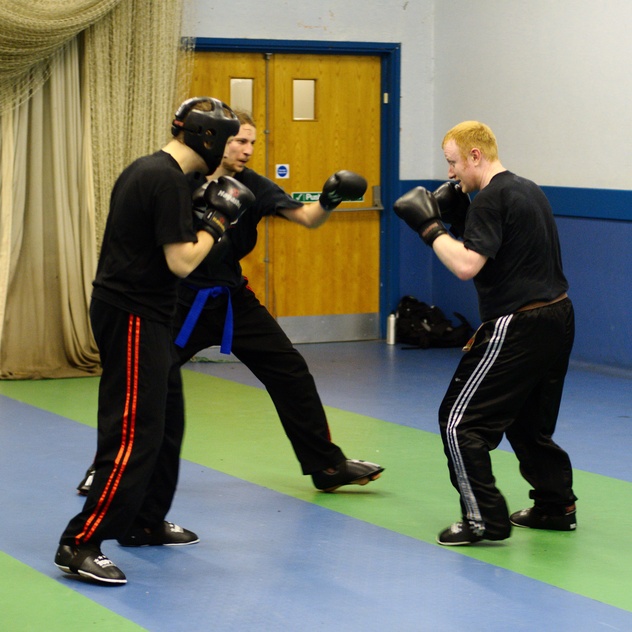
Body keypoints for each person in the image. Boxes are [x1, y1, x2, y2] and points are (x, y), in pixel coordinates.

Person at [75, 111, 384, 498]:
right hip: (178, 300)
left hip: (231, 299)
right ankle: (103, 469)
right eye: (239, 141)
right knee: (139, 385)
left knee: (289, 370)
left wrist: (329, 199)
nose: (247, 150)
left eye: (252, 142)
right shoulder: (178, 181)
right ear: (215, 140)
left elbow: (307, 218)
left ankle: (326, 465)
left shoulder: (250, 184)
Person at [55, 97, 254, 585]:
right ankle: (79, 542)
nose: (234, 149)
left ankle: (143, 521)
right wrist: (217, 222)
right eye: (230, 139)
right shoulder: (163, 179)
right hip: (133, 314)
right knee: (134, 432)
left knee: (167, 424)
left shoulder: (162, 173)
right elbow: (181, 261)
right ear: (208, 137)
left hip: (150, 313)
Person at [394, 120, 577, 546]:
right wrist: (461, 221)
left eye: (453, 163)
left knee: (459, 422)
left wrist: (430, 228)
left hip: (518, 323)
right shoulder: (527, 189)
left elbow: (466, 266)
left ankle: (484, 520)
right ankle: (555, 507)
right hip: (558, 317)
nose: (450, 173)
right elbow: (503, 254)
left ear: (475, 155)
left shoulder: (490, 199)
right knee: (528, 424)